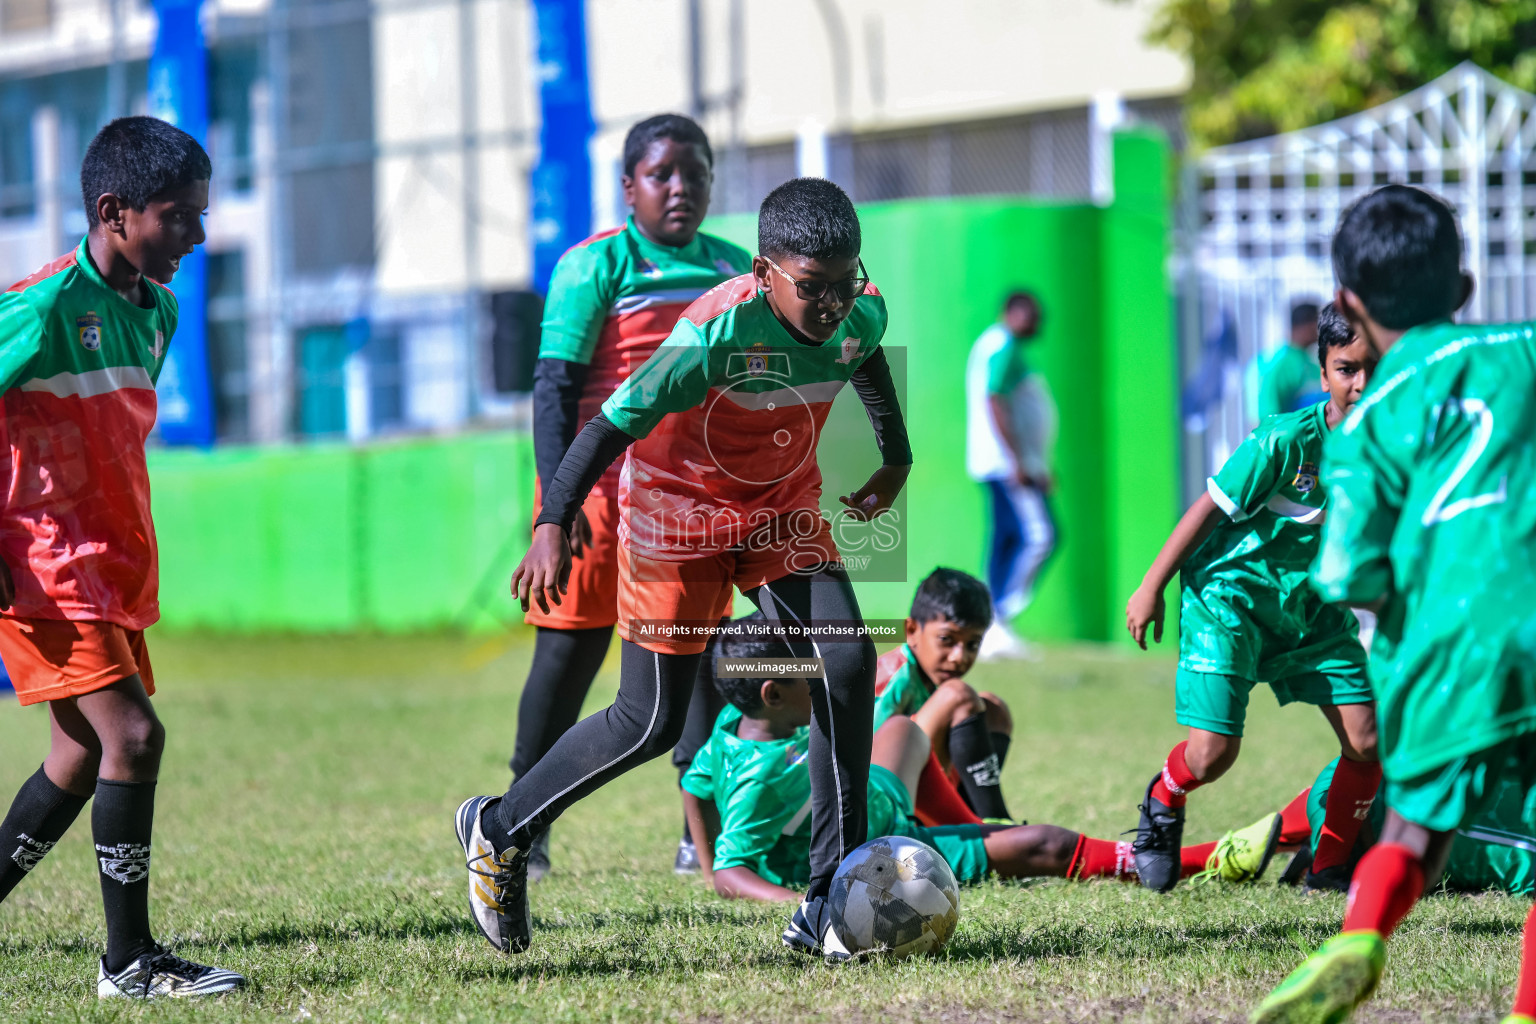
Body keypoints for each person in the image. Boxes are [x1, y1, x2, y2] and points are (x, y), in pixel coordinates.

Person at [456, 177, 912, 960]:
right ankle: (498, 830)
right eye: (812, 288)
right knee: (651, 722)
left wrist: (895, 455)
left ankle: (827, 901)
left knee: (845, 658)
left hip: (780, 506)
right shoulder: (712, 334)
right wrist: (551, 523)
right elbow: (604, 426)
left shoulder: (859, 306)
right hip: (679, 513)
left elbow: (861, 356)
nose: (833, 303)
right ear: (765, 272)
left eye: (844, 283)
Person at [1249, 186, 1536, 1024]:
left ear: (1346, 306)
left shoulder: (1369, 422)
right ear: (1466, 287)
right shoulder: (1523, 348)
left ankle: (1361, 938)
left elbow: (1348, 576)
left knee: (1412, 831)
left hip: (1445, 648)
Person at [0, 117, 243, 999]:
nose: (199, 236)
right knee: (133, 738)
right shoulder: (38, 309)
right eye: (179, 217)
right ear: (114, 212)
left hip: (115, 563)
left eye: (202, 215)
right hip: (46, 565)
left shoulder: (159, 309)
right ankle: (128, 963)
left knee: (76, 756)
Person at [511, 113, 752, 880]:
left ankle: (700, 833)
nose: (681, 188)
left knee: (711, 656)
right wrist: (562, 503)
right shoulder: (595, 266)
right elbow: (554, 388)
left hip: (693, 505)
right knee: (569, 654)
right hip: (603, 500)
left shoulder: (734, 267)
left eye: (697, 173)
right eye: (662, 175)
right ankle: (524, 822)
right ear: (628, 188)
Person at [679, 628, 1287, 924]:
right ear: (772, 692)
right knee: (1042, 844)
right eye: (809, 674)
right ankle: (1207, 859)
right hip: (887, 849)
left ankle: (978, 824)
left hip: (882, 793)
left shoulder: (734, 723)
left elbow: (694, 785)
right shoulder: (759, 777)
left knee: (922, 718)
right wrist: (816, 905)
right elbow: (735, 872)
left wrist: (699, 862)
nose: (824, 678)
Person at [1124, 289, 1383, 895]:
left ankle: (1328, 869)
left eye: (1373, 367)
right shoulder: (1284, 442)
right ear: (1321, 373)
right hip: (1231, 601)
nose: (1361, 382)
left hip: (1311, 609)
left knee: (1368, 740)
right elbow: (1206, 509)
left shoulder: (1391, 450)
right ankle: (1164, 799)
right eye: (1346, 369)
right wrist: (1151, 585)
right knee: (1213, 756)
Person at [871, 568, 1016, 823]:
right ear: (912, 630)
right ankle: (995, 825)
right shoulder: (892, 677)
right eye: (947, 639)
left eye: (972, 644)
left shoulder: (930, 680)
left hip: (923, 796)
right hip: (880, 810)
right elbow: (863, 763)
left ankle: (976, 820)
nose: (959, 656)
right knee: (958, 695)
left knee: (993, 710)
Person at [964, 291, 1056, 659]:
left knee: (1007, 539)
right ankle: (996, 617)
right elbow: (995, 399)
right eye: (1027, 314)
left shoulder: (1000, 346)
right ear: (1009, 312)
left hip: (1006, 463)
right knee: (1038, 535)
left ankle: (992, 623)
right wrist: (1019, 460)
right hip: (1005, 465)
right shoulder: (1001, 345)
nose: (1034, 322)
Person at [1252, 300, 1326, 421]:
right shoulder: (1280, 364)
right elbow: (1269, 416)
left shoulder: (1307, 360)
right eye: (1319, 324)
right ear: (1307, 325)